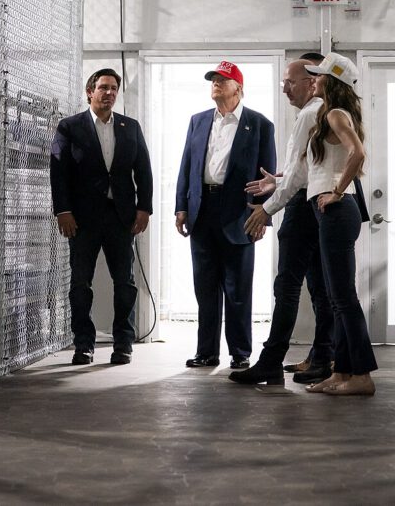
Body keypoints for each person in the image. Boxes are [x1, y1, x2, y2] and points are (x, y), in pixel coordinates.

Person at [229, 54, 334, 386]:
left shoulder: (310, 114)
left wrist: (267, 208)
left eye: (290, 82)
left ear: (311, 81)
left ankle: (271, 362)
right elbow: (308, 169)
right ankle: (322, 357)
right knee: (320, 288)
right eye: (283, 82)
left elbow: (299, 179)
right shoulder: (322, 110)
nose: (285, 88)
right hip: (315, 204)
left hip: (303, 208)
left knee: (287, 287)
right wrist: (279, 180)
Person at [175, 61, 276, 369]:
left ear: (238, 88)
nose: (216, 84)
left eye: (223, 79)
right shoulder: (198, 120)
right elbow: (187, 165)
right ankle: (206, 352)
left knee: (238, 288)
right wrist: (181, 207)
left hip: (240, 213)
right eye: (213, 80)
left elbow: (268, 174)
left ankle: (240, 353)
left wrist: (263, 214)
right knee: (205, 287)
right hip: (202, 209)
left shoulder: (259, 124)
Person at [50, 68, 153, 365]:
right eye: (103, 88)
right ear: (90, 92)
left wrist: (144, 208)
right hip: (82, 219)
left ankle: (123, 343)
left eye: (113, 89)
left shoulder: (130, 127)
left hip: (121, 217)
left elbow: (143, 170)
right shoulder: (69, 127)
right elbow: (58, 172)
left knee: (125, 283)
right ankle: (84, 344)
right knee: (80, 283)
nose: (109, 93)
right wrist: (63, 211)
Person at [302, 53, 377, 395]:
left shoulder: (334, 114)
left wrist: (336, 191)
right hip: (330, 211)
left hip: (337, 210)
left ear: (332, 81)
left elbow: (357, 152)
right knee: (338, 298)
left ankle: (362, 376)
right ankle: (341, 372)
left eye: (318, 76)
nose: (314, 80)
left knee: (343, 298)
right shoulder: (333, 113)